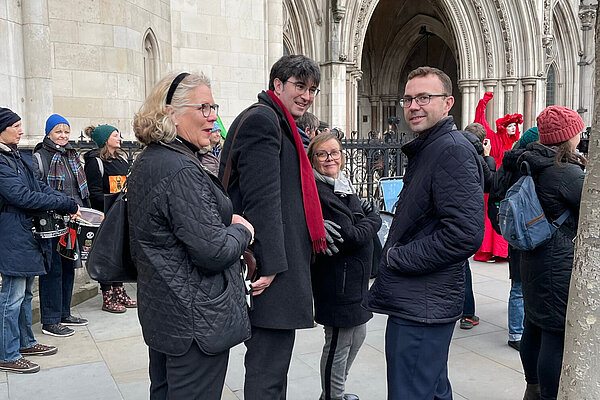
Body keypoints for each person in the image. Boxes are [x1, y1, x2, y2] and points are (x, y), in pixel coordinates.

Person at [128, 72, 254, 399]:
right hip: (195, 322)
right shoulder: (180, 168)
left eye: (214, 107)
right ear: (171, 112)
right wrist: (242, 230)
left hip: (167, 315)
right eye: (204, 107)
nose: (213, 116)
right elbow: (213, 252)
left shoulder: (151, 159)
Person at [365, 67, 485, 400]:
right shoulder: (431, 147)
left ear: (447, 103)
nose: (414, 105)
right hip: (421, 301)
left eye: (423, 98)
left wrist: (397, 257)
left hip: (423, 303)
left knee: (411, 391)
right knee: (431, 390)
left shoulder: (451, 150)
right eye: (408, 99)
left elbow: (464, 234)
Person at [219, 55, 329, 399]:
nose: (307, 95)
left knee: (274, 364)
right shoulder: (263, 121)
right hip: (272, 269)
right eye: (300, 86)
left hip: (280, 262)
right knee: (268, 366)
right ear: (277, 85)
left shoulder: (276, 120)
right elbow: (261, 199)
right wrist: (267, 265)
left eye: (312, 89)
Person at [0, 108, 80, 373]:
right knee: (11, 297)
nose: (21, 131)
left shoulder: (17, 157)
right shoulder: (1, 161)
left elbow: (39, 187)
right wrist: (63, 202)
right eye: (16, 126)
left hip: (25, 233)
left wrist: (64, 201)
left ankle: (25, 343)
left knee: (25, 294)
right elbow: (21, 196)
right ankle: (7, 355)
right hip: (11, 233)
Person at [517, 107, 585, 400]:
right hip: (558, 262)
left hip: (534, 257)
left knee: (534, 324)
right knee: (555, 333)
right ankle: (547, 395)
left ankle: (532, 387)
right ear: (567, 137)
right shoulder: (565, 173)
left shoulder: (531, 163)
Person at [308, 132, 382, 400]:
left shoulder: (341, 185)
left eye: (335, 152)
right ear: (313, 160)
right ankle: (332, 395)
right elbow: (350, 235)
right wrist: (373, 219)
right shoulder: (321, 192)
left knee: (358, 335)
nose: (330, 159)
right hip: (336, 281)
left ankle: (336, 390)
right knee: (338, 342)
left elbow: (356, 222)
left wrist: (364, 217)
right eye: (322, 154)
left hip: (355, 280)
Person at [31, 114, 90, 337]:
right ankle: (50, 320)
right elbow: (38, 189)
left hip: (73, 220)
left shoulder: (73, 156)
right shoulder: (40, 157)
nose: (63, 135)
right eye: (58, 131)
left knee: (69, 268)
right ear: (48, 133)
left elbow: (78, 187)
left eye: (66, 131)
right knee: (52, 270)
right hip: (51, 222)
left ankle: (64, 312)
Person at [488, 127, 540, 351]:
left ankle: (517, 331)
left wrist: (503, 227)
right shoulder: (527, 167)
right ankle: (517, 332)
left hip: (516, 231)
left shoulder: (507, 164)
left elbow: (495, 195)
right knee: (520, 286)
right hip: (529, 230)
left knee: (518, 283)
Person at [83, 124, 136, 313]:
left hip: (121, 214)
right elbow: (94, 192)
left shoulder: (121, 160)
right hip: (105, 215)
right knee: (106, 254)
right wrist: (112, 202)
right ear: (106, 139)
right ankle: (107, 295)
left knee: (118, 252)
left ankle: (119, 291)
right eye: (116, 135)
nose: (120, 138)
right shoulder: (95, 162)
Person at [473, 92, 523, 262]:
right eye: (509, 126)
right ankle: (487, 250)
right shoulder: (493, 138)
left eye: (514, 127)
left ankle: (502, 251)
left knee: (505, 212)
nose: (512, 129)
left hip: (507, 182)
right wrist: (483, 103)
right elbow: (480, 122)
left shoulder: (514, 143)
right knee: (491, 214)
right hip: (494, 179)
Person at [457, 122, 497, 330]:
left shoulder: (453, 150)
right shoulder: (478, 158)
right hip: (465, 220)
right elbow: (490, 183)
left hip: (448, 217)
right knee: (462, 268)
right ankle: (467, 313)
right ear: (482, 142)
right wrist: (487, 156)